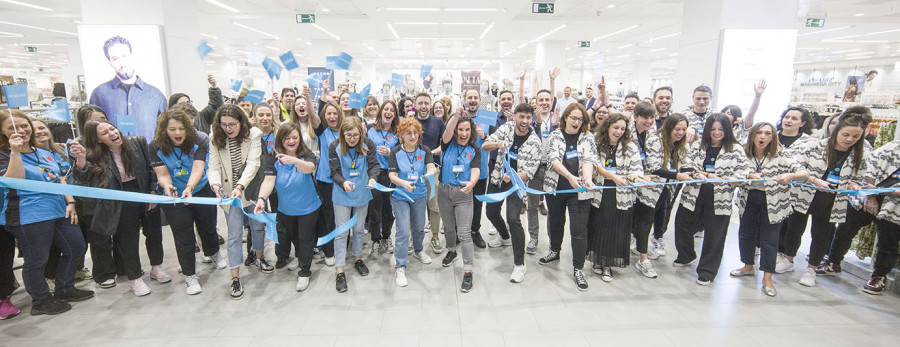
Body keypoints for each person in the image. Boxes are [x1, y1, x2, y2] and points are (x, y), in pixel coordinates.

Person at [1, 110, 94, 315]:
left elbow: (59, 178)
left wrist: (70, 202)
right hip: (28, 215)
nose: (21, 130)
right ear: (3, 132)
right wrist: (15, 152)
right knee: (37, 260)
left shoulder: (42, 151)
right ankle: (41, 301)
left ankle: (65, 289)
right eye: (12, 128)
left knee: (76, 248)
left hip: (59, 210)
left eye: (24, 125)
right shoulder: (4, 154)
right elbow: (13, 181)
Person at [72, 119, 160, 296]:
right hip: (120, 199)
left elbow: (151, 168)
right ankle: (134, 278)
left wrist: (153, 191)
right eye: (105, 133)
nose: (112, 134)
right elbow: (83, 180)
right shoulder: (95, 155)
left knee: (154, 233)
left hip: (143, 190)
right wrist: (80, 159)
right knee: (128, 240)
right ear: (97, 140)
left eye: (112, 129)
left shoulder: (138, 142)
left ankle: (157, 266)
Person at [788, 107, 871, 287]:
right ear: (836, 130)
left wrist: (854, 184)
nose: (850, 140)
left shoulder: (860, 155)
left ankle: (811, 269)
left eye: (855, 137)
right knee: (795, 227)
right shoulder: (815, 146)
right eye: (846, 135)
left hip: (833, 201)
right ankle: (788, 259)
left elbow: (860, 177)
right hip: (806, 193)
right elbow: (795, 164)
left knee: (821, 234)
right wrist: (813, 179)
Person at [149, 109, 223, 295]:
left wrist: (189, 188)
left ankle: (213, 252)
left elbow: (199, 167)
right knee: (183, 235)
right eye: (172, 129)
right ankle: (190, 275)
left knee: (208, 226)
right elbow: (162, 174)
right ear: (164, 129)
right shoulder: (155, 146)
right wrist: (167, 187)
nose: (177, 133)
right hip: (173, 195)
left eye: (181, 128)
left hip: (200, 190)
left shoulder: (200, 139)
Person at [672, 114, 750, 285]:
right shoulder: (698, 146)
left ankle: (707, 271)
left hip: (720, 197)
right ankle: (686, 255)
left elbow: (743, 174)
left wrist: (719, 177)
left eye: (720, 129)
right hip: (694, 193)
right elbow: (687, 164)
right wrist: (702, 174)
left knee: (715, 235)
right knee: (682, 225)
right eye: (713, 129)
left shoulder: (735, 149)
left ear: (727, 130)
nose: (716, 133)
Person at [731, 122, 808, 297]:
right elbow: (732, 172)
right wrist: (747, 175)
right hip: (748, 198)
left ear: (773, 136)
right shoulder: (743, 153)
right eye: (759, 133)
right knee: (746, 233)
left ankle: (767, 277)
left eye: (767, 133)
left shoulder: (782, 154)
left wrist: (791, 175)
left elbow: (804, 173)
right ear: (752, 135)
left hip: (773, 202)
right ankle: (748, 265)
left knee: (770, 239)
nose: (763, 137)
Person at [538, 103, 599, 291]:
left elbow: (590, 160)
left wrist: (587, 179)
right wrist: (570, 177)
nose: (576, 122)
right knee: (555, 222)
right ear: (565, 118)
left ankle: (578, 268)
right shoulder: (556, 135)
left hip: (580, 191)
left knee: (579, 229)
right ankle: (554, 251)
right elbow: (553, 159)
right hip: (557, 188)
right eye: (573, 118)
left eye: (580, 119)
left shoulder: (587, 137)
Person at [254, 122, 321, 292]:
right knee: (293, 238)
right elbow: (269, 181)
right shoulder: (272, 157)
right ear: (281, 140)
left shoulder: (307, 154)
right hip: (285, 208)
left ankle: (305, 272)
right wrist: (261, 198)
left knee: (305, 239)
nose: (291, 141)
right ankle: (300, 261)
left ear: (300, 138)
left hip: (309, 207)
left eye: (295, 137)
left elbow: (309, 169)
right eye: (287, 138)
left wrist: (294, 160)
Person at [207, 104, 263, 300]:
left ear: (241, 122)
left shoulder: (254, 134)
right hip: (229, 194)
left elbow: (254, 163)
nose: (228, 129)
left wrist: (240, 186)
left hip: (250, 188)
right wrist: (215, 185)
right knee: (234, 235)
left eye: (232, 124)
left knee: (257, 227)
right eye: (224, 125)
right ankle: (235, 277)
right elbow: (213, 166)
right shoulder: (215, 138)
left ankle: (259, 258)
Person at [482, 103, 542, 282]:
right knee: (491, 212)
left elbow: (530, 172)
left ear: (531, 119)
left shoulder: (535, 142)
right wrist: (497, 144)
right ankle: (505, 236)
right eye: (521, 116)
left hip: (515, 183)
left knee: (513, 219)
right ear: (514, 116)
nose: (524, 121)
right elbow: (485, 145)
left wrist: (514, 176)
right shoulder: (506, 128)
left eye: (528, 117)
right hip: (497, 178)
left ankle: (519, 264)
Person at [587, 113, 646, 283]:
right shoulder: (596, 143)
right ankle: (597, 260)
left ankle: (608, 265)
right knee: (599, 226)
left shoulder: (631, 147)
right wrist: (612, 177)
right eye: (615, 128)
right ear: (607, 127)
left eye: (622, 129)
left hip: (621, 195)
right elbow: (594, 165)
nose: (619, 131)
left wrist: (636, 178)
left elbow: (636, 169)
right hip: (600, 193)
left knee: (615, 229)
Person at [32, 119, 90, 285]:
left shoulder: (62, 149)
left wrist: (80, 156)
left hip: (74, 200)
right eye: (34, 129)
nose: (39, 132)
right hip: (48, 206)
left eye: (42, 128)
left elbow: (78, 172)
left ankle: (68, 280)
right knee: (51, 247)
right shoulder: (30, 154)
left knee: (78, 243)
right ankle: (49, 279)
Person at [329, 116, 379, 293]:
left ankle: (357, 258)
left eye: (355, 135)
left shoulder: (368, 144)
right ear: (342, 134)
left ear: (361, 132)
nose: (352, 139)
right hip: (342, 194)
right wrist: (343, 182)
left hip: (362, 193)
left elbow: (374, 165)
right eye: (348, 135)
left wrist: (373, 178)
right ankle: (340, 270)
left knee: (358, 230)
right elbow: (334, 172)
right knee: (342, 232)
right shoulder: (334, 146)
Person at [387, 117, 438, 287]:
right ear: (401, 135)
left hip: (419, 195)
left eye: (416, 133)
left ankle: (418, 250)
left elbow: (431, 166)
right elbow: (392, 176)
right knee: (402, 231)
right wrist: (403, 183)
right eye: (408, 133)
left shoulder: (424, 151)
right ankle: (400, 266)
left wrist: (430, 172)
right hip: (400, 196)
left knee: (418, 227)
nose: (413, 136)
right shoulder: (395, 152)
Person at [88, 35, 167, 140]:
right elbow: (91, 131)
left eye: (125, 55)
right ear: (109, 63)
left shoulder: (156, 95)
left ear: (132, 56)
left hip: (148, 155)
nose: (122, 63)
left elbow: (165, 131)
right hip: (112, 155)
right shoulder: (99, 94)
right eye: (115, 59)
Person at [438, 111, 481, 292]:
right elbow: (446, 133)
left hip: (463, 194)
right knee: (448, 226)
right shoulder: (447, 145)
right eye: (460, 130)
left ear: (471, 131)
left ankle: (468, 270)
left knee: (464, 232)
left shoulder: (474, 150)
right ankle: (451, 250)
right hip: (444, 192)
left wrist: (472, 183)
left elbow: (476, 170)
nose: (464, 134)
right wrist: (455, 116)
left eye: (467, 130)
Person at [773, 106, 818, 273]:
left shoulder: (810, 143)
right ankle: (774, 251)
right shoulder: (771, 136)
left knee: (794, 227)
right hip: (774, 190)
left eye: (794, 118)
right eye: (787, 116)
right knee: (775, 223)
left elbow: (813, 167)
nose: (788, 120)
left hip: (799, 192)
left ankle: (788, 257)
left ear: (803, 123)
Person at [857, 139, 900, 294]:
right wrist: (871, 194)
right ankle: (833, 260)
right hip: (880, 199)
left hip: (894, 204)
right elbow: (870, 167)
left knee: (889, 243)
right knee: (847, 225)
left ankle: (879, 276)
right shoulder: (893, 147)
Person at [649, 114, 692, 257]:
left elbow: (687, 164)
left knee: (664, 212)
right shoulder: (656, 140)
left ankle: (657, 238)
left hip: (670, 186)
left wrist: (697, 173)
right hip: (653, 184)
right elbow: (654, 167)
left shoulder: (683, 145)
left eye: (684, 129)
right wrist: (677, 175)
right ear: (669, 127)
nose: (680, 133)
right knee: (647, 214)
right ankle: (638, 241)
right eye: (677, 129)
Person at [629, 103, 664, 277]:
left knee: (645, 217)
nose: (649, 121)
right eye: (645, 117)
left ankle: (643, 257)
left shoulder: (654, 134)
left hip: (648, 183)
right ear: (635, 117)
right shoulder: (626, 132)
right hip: (628, 180)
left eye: (652, 117)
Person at [526, 88, 558, 254]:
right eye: (541, 100)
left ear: (551, 102)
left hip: (553, 170)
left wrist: (555, 125)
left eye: (547, 100)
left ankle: (553, 239)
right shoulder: (529, 120)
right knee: (532, 205)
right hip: (535, 169)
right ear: (536, 103)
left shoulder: (557, 120)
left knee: (553, 207)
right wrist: (537, 121)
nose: (544, 103)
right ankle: (533, 237)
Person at [414, 92, 447, 254]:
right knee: (415, 205)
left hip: (432, 168)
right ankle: (415, 239)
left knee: (434, 206)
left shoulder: (438, 121)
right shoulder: (410, 122)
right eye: (420, 103)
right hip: (412, 171)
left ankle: (435, 237)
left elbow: (445, 145)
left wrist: (430, 154)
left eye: (426, 103)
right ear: (415, 105)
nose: (423, 106)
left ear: (431, 104)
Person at [366, 100, 399, 258]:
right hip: (373, 172)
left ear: (395, 114)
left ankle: (386, 237)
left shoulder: (397, 133)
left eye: (392, 110)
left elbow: (402, 153)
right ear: (381, 112)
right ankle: (375, 239)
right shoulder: (370, 130)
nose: (388, 112)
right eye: (386, 109)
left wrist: (390, 152)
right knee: (374, 208)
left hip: (390, 173)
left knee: (388, 208)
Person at [459, 89, 491, 249]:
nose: (472, 100)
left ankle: (475, 231)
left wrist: (485, 136)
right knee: (460, 202)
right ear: (464, 100)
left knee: (477, 203)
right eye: (469, 97)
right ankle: (459, 231)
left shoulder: (487, 116)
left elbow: (496, 138)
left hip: (481, 170)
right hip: (460, 170)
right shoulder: (459, 117)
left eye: (475, 97)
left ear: (480, 100)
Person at [313, 102, 341, 267]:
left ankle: (341, 247)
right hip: (326, 180)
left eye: (335, 113)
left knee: (342, 217)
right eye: (328, 113)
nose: (332, 117)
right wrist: (309, 98)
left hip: (343, 181)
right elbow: (311, 116)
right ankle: (329, 251)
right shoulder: (323, 132)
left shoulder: (344, 132)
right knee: (328, 217)